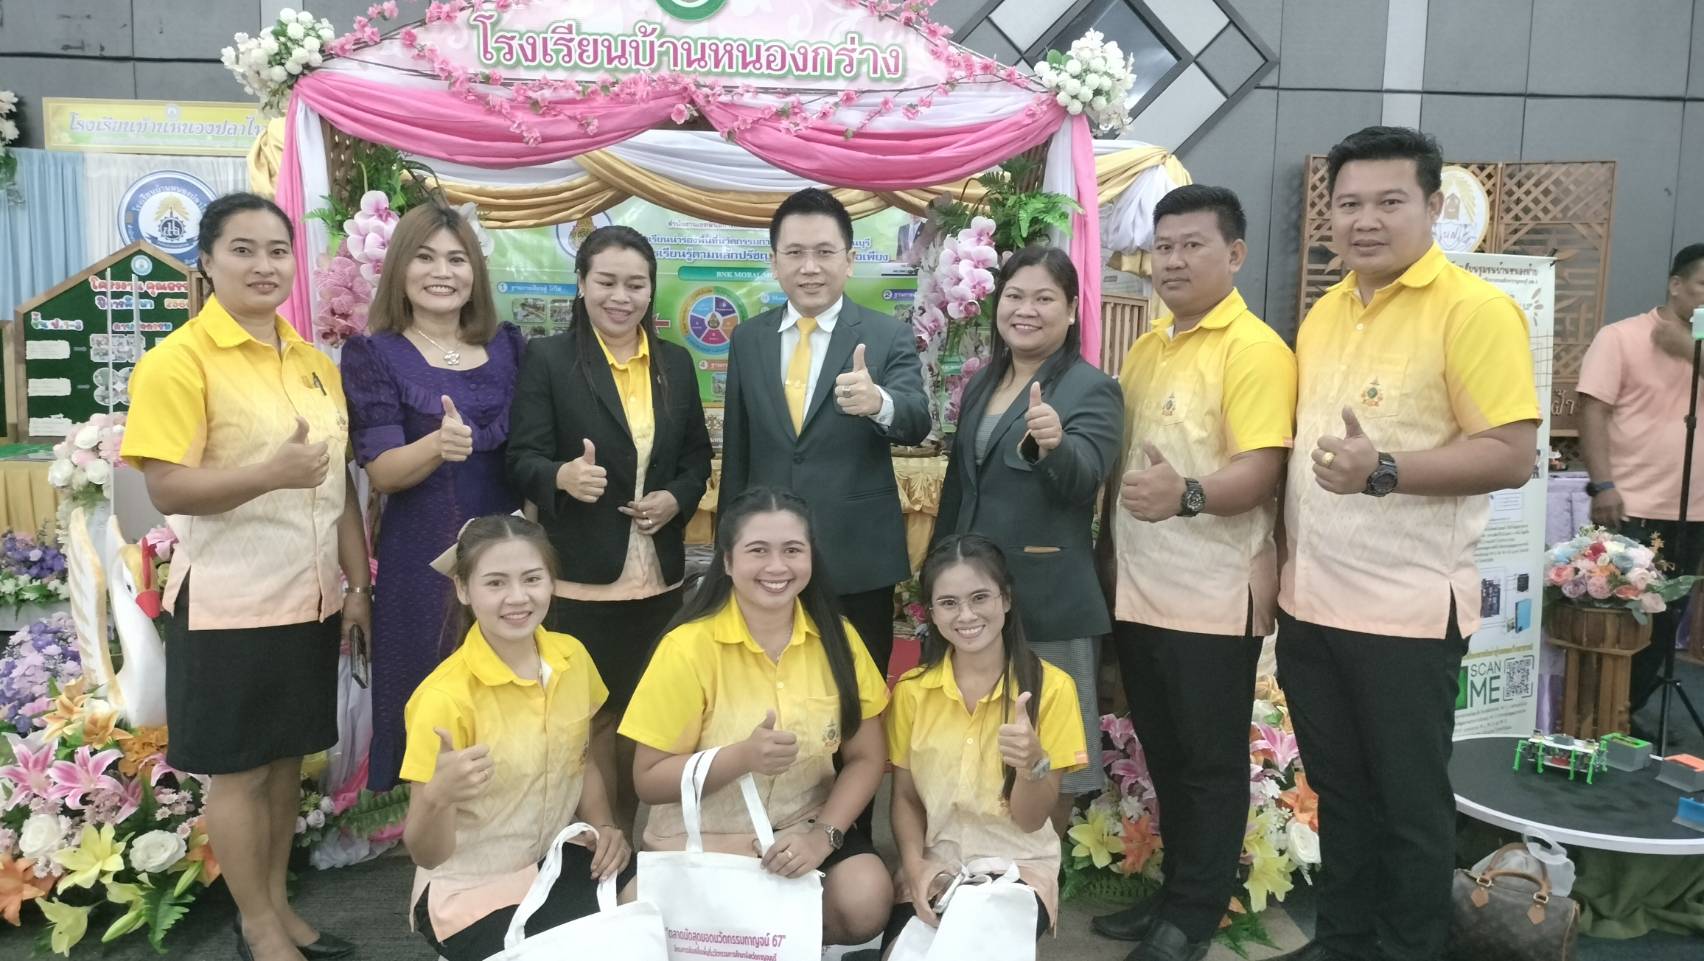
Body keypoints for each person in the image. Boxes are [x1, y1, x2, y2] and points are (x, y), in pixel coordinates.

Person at [1272, 127, 1540, 961]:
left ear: (1433, 206)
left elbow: (1512, 453)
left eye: (1390, 201)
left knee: (1409, 803)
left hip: (1406, 614)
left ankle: (1407, 947)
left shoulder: (1473, 310)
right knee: (1339, 792)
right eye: (1349, 203)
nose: (1366, 220)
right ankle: (1343, 939)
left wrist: (1384, 469)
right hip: (1310, 605)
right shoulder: (1326, 310)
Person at [122, 192, 371, 961]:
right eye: (242, 249)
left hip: (311, 599)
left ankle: (277, 906)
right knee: (238, 774)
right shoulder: (179, 361)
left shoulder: (313, 364)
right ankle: (257, 923)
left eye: (277, 250)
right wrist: (269, 472)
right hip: (228, 605)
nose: (263, 265)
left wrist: (357, 585)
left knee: (286, 763)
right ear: (206, 260)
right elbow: (167, 486)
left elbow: (336, 486)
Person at [1091, 186, 1296, 961]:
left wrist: (1189, 494)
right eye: (1163, 246)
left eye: (1192, 245)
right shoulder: (1149, 346)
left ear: (1234, 254)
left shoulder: (1255, 349)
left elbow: (1263, 468)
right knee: (1166, 756)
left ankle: (1195, 915)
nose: (1172, 261)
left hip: (1212, 598)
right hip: (1140, 592)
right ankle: (1175, 892)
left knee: (1208, 764)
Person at [619, 487, 893, 947]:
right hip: (703, 839)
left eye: (793, 550)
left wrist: (822, 837)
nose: (777, 567)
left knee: (865, 897)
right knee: (641, 910)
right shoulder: (687, 648)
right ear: (727, 562)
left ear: (811, 557)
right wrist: (741, 757)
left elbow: (867, 758)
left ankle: (781, 943)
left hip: (799, 829)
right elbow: (648, 780)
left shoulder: (838, 640)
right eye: (758, 550)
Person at [507, 225, 712, 833]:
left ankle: (626, 838)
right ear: (581, 283)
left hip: (657, 581)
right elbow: (520, 457)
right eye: (607, 282)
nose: (621, 297)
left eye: (636, 285)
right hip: (579, 579)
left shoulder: (675, 363)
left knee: (642, 719)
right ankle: (594, 842)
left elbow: (696, 459)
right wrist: (562, 476)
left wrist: (676, 499)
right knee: (588, 721)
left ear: (651, 290)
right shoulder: (549, 358)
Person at [933, 245, 1121, 825]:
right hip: (974, 600)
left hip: (1048, 598)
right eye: (1014, 296)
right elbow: (961, 487)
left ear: (1072, 310)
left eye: (1044, 298)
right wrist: (936, 574)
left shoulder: (1091, 388)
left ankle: (1043, 868)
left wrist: (1055, 446)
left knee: (1053, 752)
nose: (1026, 310)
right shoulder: (984, 382)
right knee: (977, 738)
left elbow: (1085, 479)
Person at [341, 203, 524, 793]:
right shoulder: (374, 353)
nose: (442, 272)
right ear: (399, 268)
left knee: (510, 696)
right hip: (422, 565)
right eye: (425, 258)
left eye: (456, 259)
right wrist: (436, 446)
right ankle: (429, 836)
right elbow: (383, 472)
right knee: (432, 701)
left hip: (509, 559)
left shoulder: (509, 347)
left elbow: (529, 455)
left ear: (475, 272)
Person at [720, 188, 931, 680]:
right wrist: (728, 550)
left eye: (824, 252)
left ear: (849, 261)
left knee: (858, 687)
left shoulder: (886, 335)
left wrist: (879, 403)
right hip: (768, 557)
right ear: (775, 262)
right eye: (795, 252)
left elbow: (917, 418)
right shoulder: (748, 339)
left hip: (856, 555)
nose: (809, 267)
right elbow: (738, 452)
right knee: (769, 683)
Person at [400, 514, 632, 961]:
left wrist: (604, 826)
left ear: (551, 582)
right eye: (495, 583)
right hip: (468, 892)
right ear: (463, 589)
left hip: (554, 861)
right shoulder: (444, 698)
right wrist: (437, 798)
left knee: (660, 918)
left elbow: (580, 759)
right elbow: (426, 855)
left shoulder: (571, 657)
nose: (518, 597)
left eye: (532, 578)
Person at [884, 534, 1088, 951]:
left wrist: (1032, 765)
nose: (966, 615)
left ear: (1006, 600)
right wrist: (914, 865)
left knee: (964, 946)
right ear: (931, 613)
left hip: (1018, 869)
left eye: (980, 597)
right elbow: (905, 797)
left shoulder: (1052, 689)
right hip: (937, 867)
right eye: (949, 603)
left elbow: (1031, 820)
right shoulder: (912, 690)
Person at [1577, 242, 1704, 719]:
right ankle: (1596, 717)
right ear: (1676, 285)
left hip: (1694, 510)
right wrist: (1603, 485)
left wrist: (1691, 351)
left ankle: (1628, 715)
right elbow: (1593, 411)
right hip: (1631, 506)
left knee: (1667, 623)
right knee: (1620, 620)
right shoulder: (1621, 337)